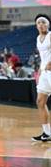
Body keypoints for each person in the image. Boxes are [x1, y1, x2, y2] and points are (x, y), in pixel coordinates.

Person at [32, 14, 51, 142]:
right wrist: (39, 71)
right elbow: (43, 56)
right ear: (36, 25)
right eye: (39, 22)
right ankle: (47, 133)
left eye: (44, 22)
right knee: (40, 101)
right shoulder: (39, 38)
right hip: (44, 72)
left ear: (48, 24)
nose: (41, 24)